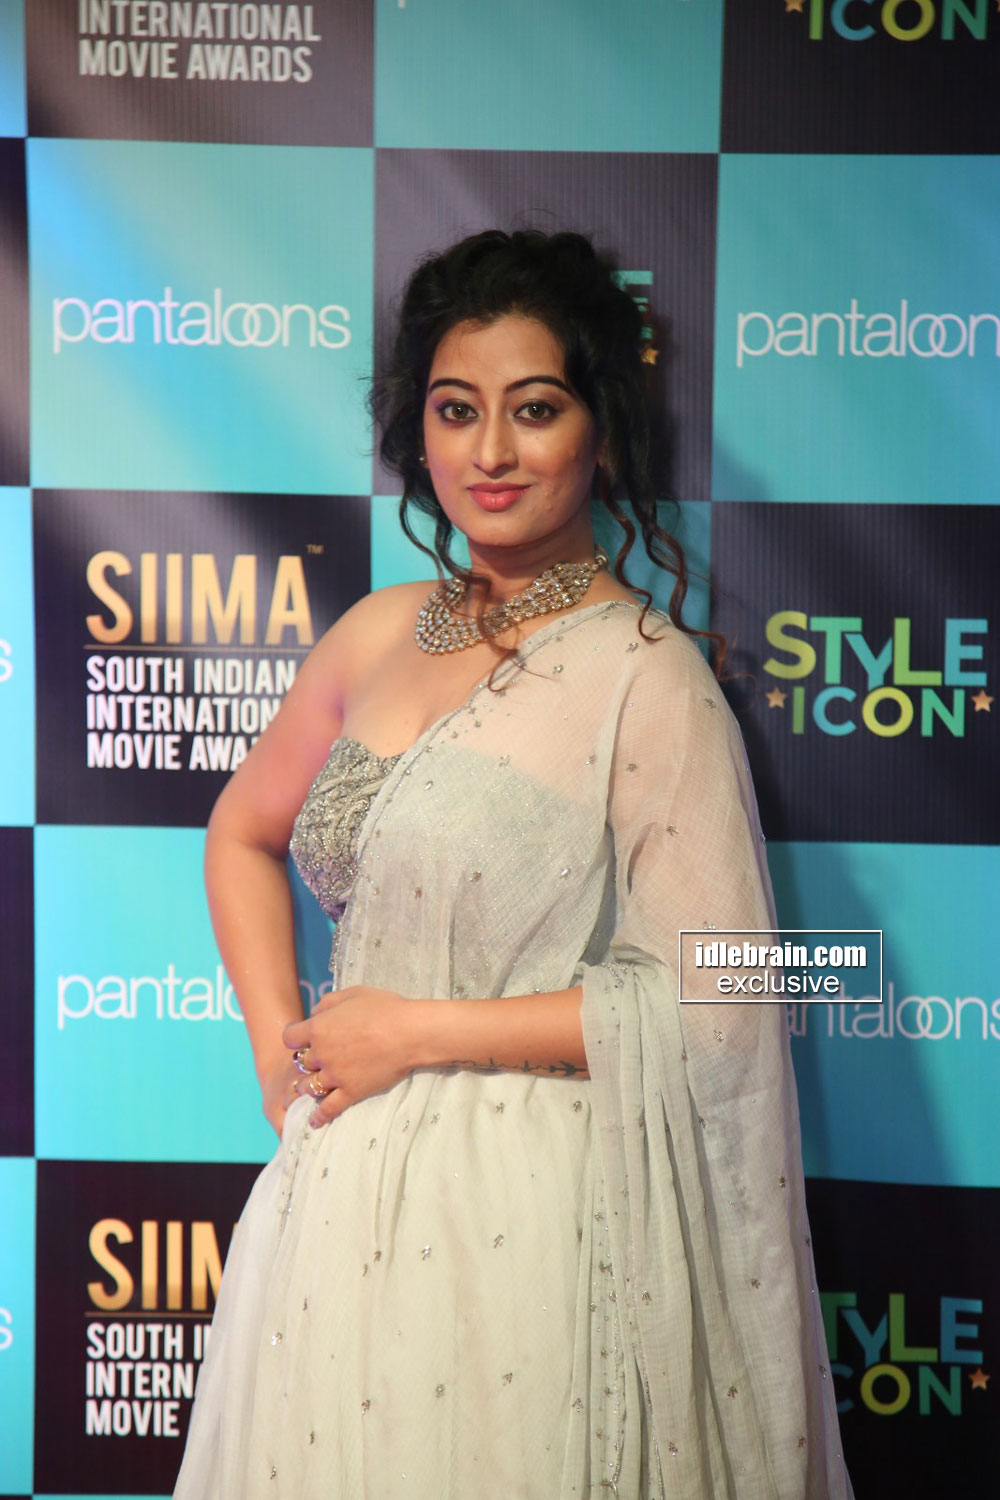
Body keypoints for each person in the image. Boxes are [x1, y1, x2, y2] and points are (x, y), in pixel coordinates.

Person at [173, 230, 854, 1499]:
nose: (489, 451)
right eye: (456, 410)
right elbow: (240, 831)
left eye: (534, 409)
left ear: (601, 432)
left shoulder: (648, 679)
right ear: (417, 431)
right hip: (335, 1203)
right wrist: (281, 1061)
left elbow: (722, 996)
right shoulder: (379, 631)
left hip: (526, 1220)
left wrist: (415, 1033)